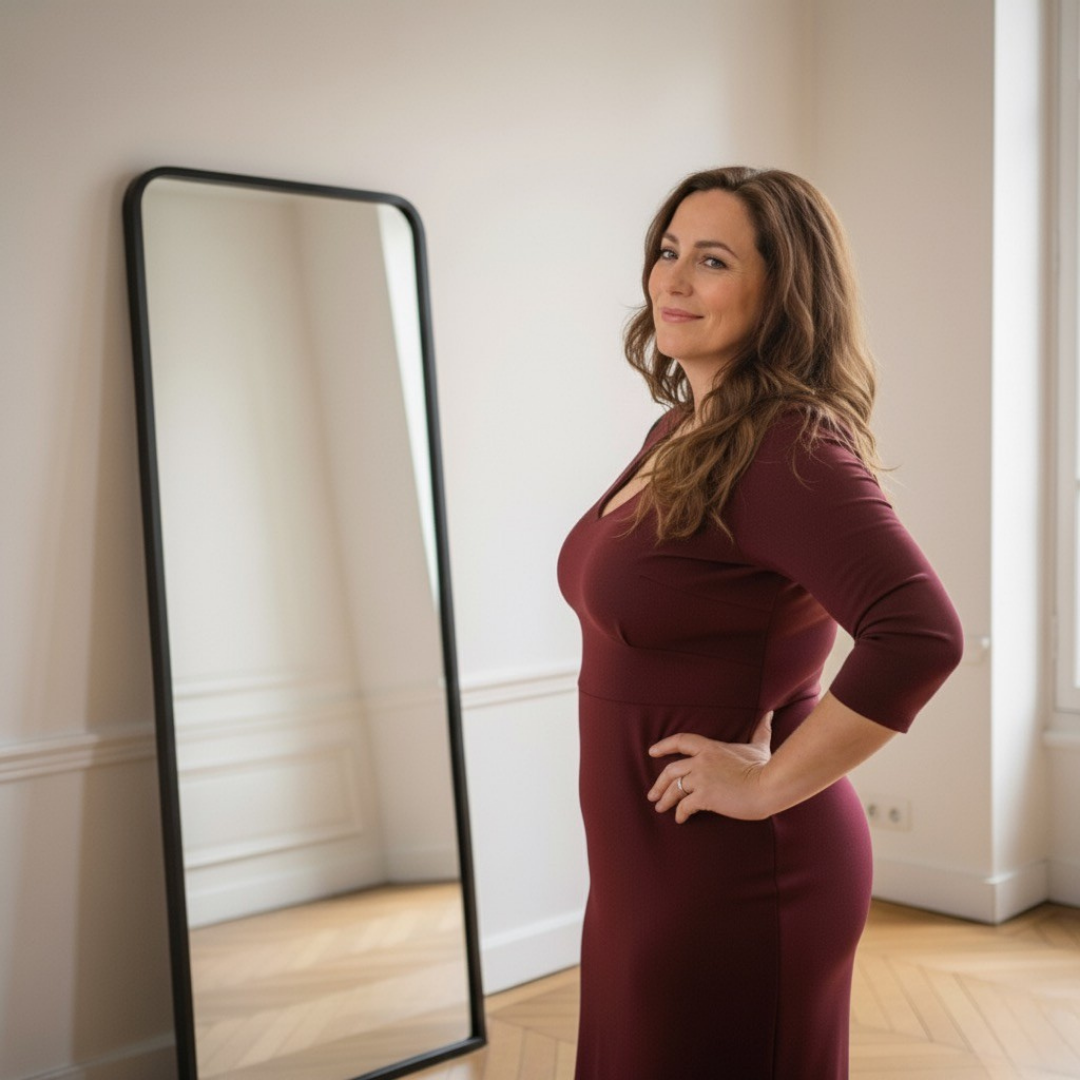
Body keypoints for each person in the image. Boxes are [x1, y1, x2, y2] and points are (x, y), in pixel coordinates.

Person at [556, 166, 964, 1080]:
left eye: (711, 260)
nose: (672, 280)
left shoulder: (788, 446)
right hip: (643, 868)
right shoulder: (682, 432)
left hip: (736, 874)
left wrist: (770, 784)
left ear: (783, 290)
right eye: (667, 252)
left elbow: (920, 634)